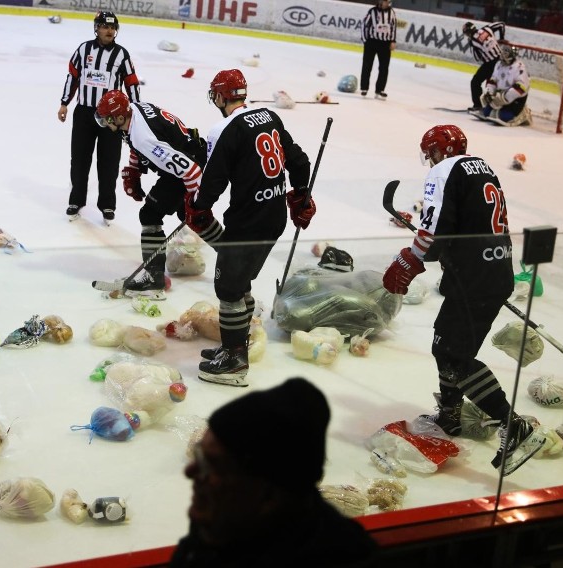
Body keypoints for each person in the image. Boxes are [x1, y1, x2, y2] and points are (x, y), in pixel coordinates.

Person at [381, 125, 545, 476]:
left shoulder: (444, 171)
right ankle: (451, 415)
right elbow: (463, 225)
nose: (430, 160)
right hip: (493, 272)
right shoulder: (482, 167)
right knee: (446, 344)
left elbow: (435, 229)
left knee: (455, 356)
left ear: (438, 151)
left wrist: (410, 259)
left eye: (431, 154)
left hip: (474, 278)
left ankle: (513, 425)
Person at [184, 69, 312, 387]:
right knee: (239, 285)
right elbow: (299, 161)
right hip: (274, 216)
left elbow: (213, 181)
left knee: (228, 289)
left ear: (220, 96)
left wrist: (197, 207)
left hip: (247, 221)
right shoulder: (269, 116)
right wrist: (300, 195)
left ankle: (234, 361)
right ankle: (237, 343)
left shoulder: (224, 129)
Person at [169, 377, 379, 567]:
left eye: (211, 464)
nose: (190, 471)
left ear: (269, 495)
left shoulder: (339, 557)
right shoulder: (225, 522)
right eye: (199, 454)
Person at [93, 90, 207, 296]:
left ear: (119, 117)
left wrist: (197, 202)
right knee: (191, 218)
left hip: (189, 167)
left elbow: (191, 171)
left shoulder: (144, 137)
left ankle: (153, 277)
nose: (106, 125)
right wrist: (134, 170)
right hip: (190, 154)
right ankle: (232, 253)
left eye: (107, 120)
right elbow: (133, 141)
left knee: (151, 214)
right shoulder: (133, 110)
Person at [57, 11, 140, 224]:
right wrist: (65, 102)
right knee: (79, 159)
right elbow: (73, 76)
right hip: (84, 113)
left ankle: (107, 205)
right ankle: (76, 200)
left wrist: (136, 109)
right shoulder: (84, 49)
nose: (109, 30)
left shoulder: (122, 55)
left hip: (112, 117)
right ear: (97, 28)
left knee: (109, 161)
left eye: (113, 27)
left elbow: (131, 82)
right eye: (105, 26)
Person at [471, 44, 532, 127]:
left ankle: (523, 113)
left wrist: (505, 97)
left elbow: (521, 87)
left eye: (506, 53)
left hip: (516, 99)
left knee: (503, 116)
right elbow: (493, 80)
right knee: (487, 113)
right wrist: (489, 92)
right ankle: (501, 107)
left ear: (512, 55)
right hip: (500, 95)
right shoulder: (499, 64)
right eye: (502, 53)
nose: (503, 55)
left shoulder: (519, 67)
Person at [462, 20, 506, 112]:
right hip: (501, 60)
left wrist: (472, 45)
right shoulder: (487, 29)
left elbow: (477, 57)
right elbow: (501, 24)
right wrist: (502, 38)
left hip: (490, 63)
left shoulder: (473, 41)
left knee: (475, 82)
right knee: (495, 84)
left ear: (468, 33)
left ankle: (478, 105)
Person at [360, 0, 397, 100]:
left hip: (385, 44)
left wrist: (393, 41)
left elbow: (393, 27)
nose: (385, 3)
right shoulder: (372, 11)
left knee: (384, 68)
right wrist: (365, 40)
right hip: (372, 42)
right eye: (383, 1)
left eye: (386, 1)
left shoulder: (392, 12)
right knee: (367, 65)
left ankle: (380, 90)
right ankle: (364, 88)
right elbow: (364, 25)